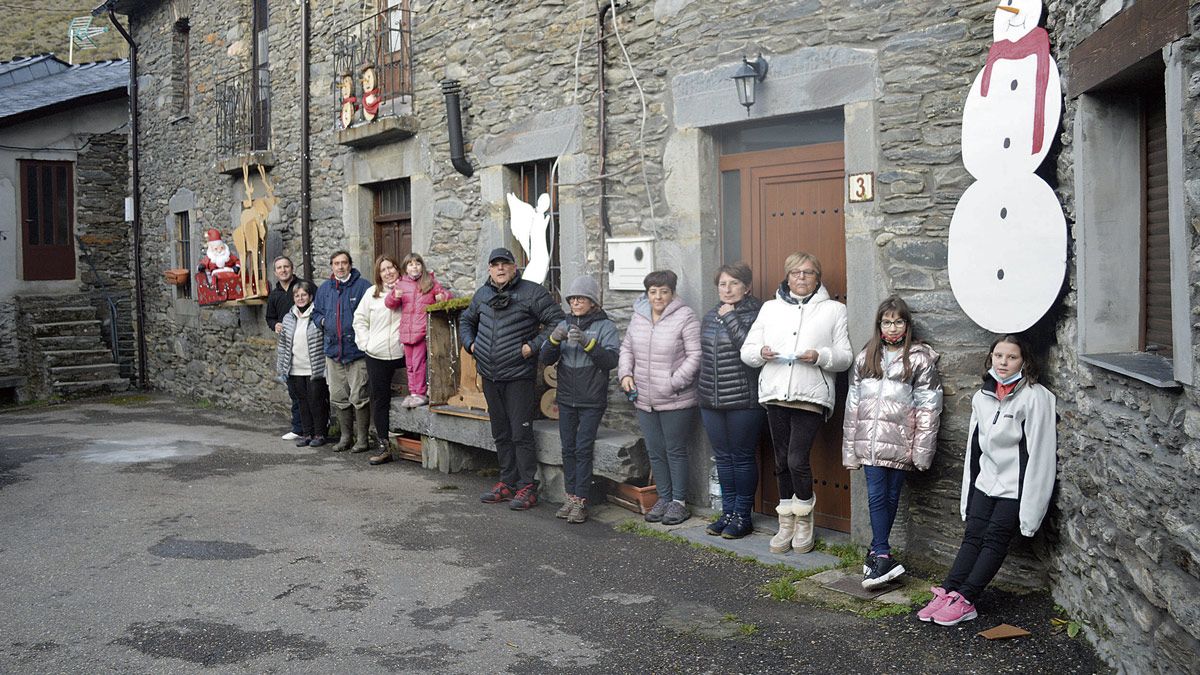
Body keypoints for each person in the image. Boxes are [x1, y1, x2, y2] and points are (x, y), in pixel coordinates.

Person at [918, 334, 1056, 626]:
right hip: (986, 482)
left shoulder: (1035, 397)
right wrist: (970, 491)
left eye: (1012, 357)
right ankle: (948, 591)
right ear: (990, 358)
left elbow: (1041, 455)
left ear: (1025, 361)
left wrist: (1030, 512)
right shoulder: (983, 396)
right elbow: (974, 447)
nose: (1003, 362)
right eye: (998, 356)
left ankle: (966, 600)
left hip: (1014, 487)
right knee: (972, 536)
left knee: (994, 541)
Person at [741, 252, 852, 554]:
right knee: (780, 461)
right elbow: (747, 351)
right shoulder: (770, 308)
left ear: (818, 277)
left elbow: (845, 357)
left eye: (808, 272)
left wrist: (820, 356)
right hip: (776, 392)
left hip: (810, 395)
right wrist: (760, 353)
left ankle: (804, 520)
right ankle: (786, 522)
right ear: (787, 276)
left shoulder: (834, 310)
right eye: (795, 273)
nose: (801, 278)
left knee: (795, 459)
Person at [842, 296, 943, 588]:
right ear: (879, 325)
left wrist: (922, 452)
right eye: (887, 322)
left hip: (901, 442)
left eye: (898, 321)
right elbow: (853, 406)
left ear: (907, 325)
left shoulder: (919, 359)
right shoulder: (867, 356)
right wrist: (850, 449)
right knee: (876, 496)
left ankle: (877, 553)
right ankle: (884, 553)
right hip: (870, 445)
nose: (893, 327)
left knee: (890, 497)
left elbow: (929, 407)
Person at [459, 247, 564, 510]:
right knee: (501, 432)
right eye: (495, 265)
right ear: (489, 270)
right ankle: (507, 481)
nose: (500, 269)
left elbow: (558, 322)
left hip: (518, 375)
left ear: (514, 267)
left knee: (521, 433)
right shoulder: (482, 294)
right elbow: (466, 321)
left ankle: (527, 486)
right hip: (490, 375)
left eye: (505, 264)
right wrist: (471, 345)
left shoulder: (532, 292)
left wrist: (533, 346)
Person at [618, 269, 701, 526]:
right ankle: (663, 497)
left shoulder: (685, 316)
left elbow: (695, 356)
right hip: (644, 397)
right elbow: (627, 348)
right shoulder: (639, 316)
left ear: (672, 292)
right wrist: (625, 375)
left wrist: (673, 383)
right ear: (647, 293)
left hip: (676, 398)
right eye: (653, 292)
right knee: (655, 451)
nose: (658, 297)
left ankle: (679, 502)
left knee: (675, 450)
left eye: (664, 291)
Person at [541, 275, 620, 524]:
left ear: (592, 302)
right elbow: (545, 357)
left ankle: (581, 501)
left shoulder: (605, 326)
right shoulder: (563, 322)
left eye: (581, 298)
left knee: (584, 449)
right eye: (573, 298)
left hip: (592, 399)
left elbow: (610, 361)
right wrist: (554, 339)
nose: (576, 302)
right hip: (566, 397)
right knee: (568, 449)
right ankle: (570, 497)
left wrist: (588, 343)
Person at [699, 263, 764, 540]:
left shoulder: (757, 313)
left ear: (747, 287)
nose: (727, 289)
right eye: (723, 284)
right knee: (724, 458)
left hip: (743, 399)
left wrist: (731, 318)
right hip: (710, 399)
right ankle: (727, 513)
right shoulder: (711, 315)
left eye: (734, 283)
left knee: (742, 457)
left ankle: (742, 516)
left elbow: (748, 350)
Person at [312, 250, 372, 454]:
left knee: (359, 395)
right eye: (336, 263)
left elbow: (373, 312)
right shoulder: (325, 289)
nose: (340, 267)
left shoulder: (363, 286)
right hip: (333, 351)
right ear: (331, 266)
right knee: (338, 395)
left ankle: (363, 439)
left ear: (350, 265)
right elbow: (316, 312)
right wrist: (322, 321)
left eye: (344, 263)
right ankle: (346, 437)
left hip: (356, 352)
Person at [353, 254, 407, 466]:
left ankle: (415, 442)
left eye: (392, 267)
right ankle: (384, 446)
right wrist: (365, 344)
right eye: (383, 269)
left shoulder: (408, 290)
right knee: (380, 399)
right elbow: (359, 320)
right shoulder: (371, 294)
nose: (388, 272)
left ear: (398, 269)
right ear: (378, 273)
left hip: (403, 352)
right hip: (377, 354)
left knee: (417, 396)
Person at [384, 252, 450, 409]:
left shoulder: (430, 282)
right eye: (411, 264)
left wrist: (443, 297)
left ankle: (420, 392)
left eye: (417, 264)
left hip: (421, 331)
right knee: (410, 365)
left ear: (422, 267)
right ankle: (413, 392)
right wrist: (395, 296)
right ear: (406, 268)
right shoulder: (401, 284)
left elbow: (446, 296)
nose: (414, 267)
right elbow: (389, 303)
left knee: (418, 363)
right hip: (407, 331)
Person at [276, 281, 329, 448]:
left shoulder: (317, 315)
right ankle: (307, 434)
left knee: (316, 401)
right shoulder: (288, 317)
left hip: (314, 367)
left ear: (310, 297)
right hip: (295, 368)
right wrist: (282, 367)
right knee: (302, 402)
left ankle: (319, 434)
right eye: (297, 296)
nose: (300, 298)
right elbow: (283, 344)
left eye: (303, 295)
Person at [265, 256, 309, 441]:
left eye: (286, 267)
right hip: (287, 347)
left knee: (312, 389)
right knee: (294, 390)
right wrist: (275, 325)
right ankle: (299, 427)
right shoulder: (274, 295)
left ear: (292, 268)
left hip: (306, 344)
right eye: (279, 268)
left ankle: (317, 427)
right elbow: (270, 318)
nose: (283, 270)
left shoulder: (303, 287)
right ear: (275, 272)